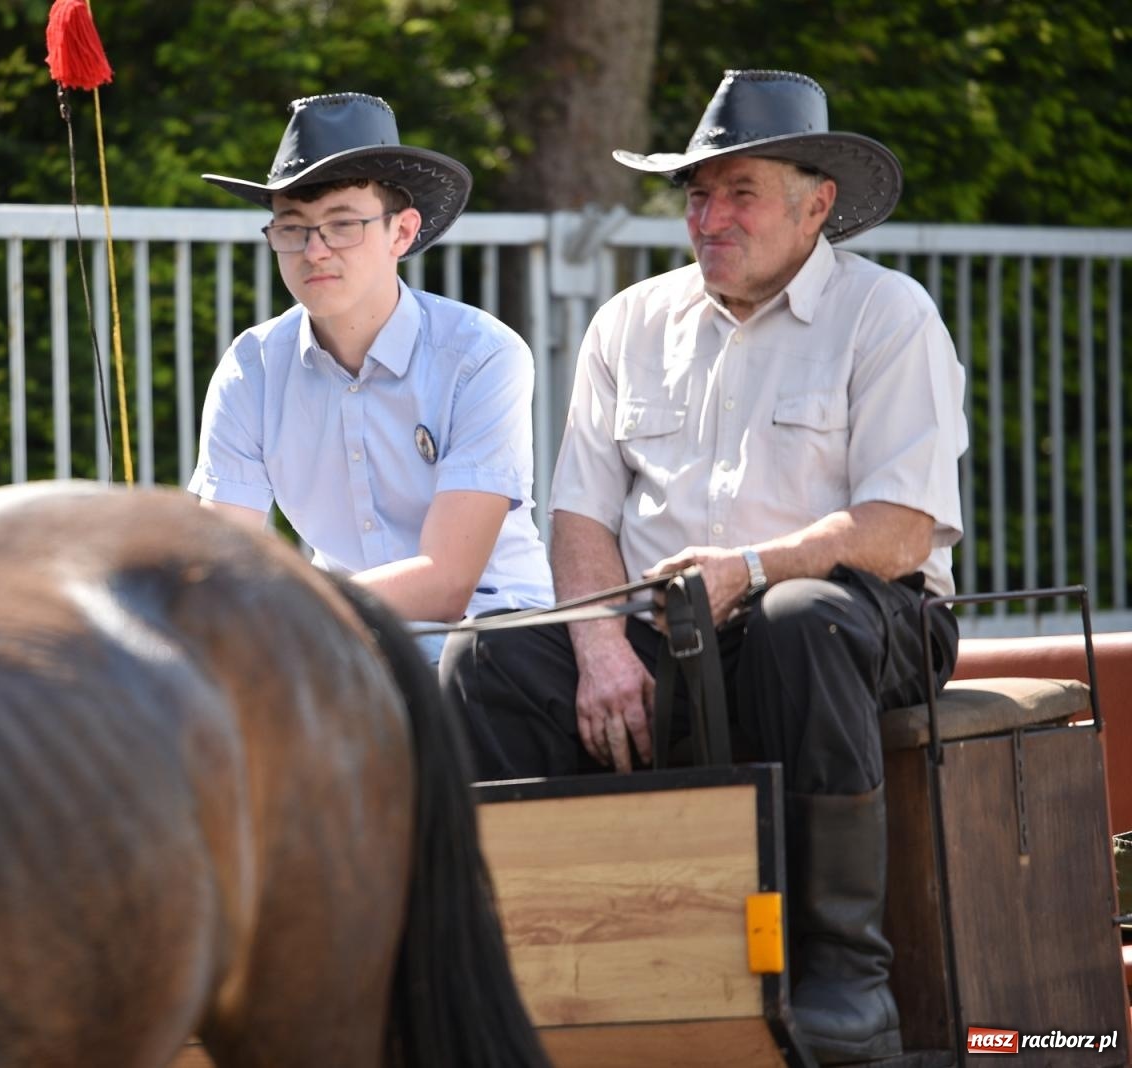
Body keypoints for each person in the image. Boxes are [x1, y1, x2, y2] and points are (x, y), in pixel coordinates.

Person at [442, 70, 966, 1064]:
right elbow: (581, 516)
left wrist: (755, 566)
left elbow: (900, 530)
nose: (709, 216)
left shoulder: (887, 316)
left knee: (795, 619)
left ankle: (842, 980)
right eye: (695, 194)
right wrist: (597, 645)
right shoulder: (628, 322)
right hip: (663, 628)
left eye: (739, 193)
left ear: (816, 206)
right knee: (484, 661)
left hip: (861, 616)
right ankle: (528, 979)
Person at [190, 92, 553, 663]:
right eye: (292, 228)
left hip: (491, 643)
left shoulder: (482, 355)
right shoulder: (251, 367)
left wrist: (284, 607)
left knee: (471, 670)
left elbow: (447, 583)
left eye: (342, 225)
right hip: (341, 649)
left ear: (402, 233)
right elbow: (220, 556)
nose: (314, 251)